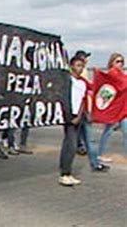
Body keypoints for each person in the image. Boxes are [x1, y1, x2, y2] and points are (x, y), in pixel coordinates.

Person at [58, 56, 88, 186]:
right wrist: (70, 116)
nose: (80, 68)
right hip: (68, 116)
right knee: (71, 144)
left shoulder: (82, 83)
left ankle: (66, 171)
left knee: (71, 143)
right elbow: (64, 99)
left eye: (82, 66)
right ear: (71, 66)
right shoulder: (67, 80)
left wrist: (80, 115)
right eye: (77, 65)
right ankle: (65, 173)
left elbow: (82, 100)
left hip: (78, 116)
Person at [98, 53, 127, 160]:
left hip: (123, 108)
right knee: (108, 131)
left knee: (126, 131)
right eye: (117, 61)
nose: (120, 64)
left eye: (121, 62)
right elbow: (120, 86)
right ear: (112, 62)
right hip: (114, 109)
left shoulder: (121, 73)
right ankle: (100, 153)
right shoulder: (112, 73)